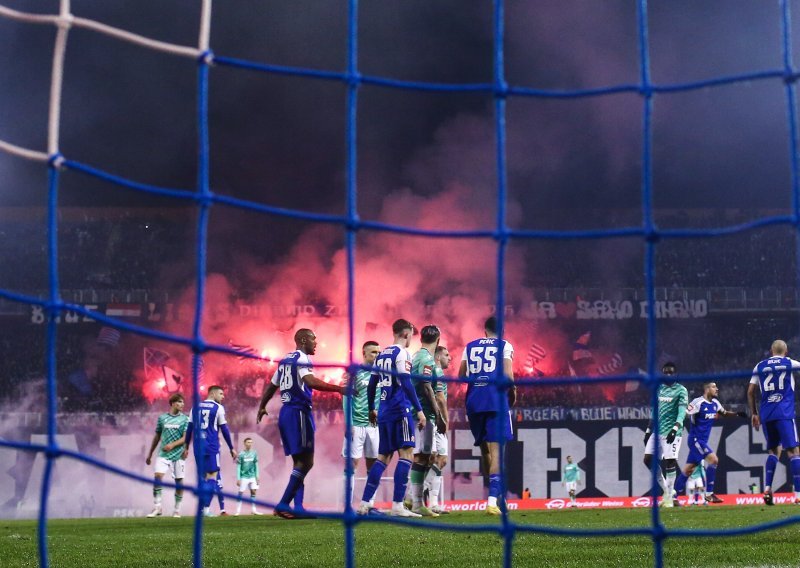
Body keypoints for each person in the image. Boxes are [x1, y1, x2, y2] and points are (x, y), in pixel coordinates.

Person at [257, 328, 347, 519]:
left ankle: (298, 507)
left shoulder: (285, 361)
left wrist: (262, 406)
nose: (316, 343)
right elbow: (311, 381)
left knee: (298, 463)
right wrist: (339, 389)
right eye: (314, 339)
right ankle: (283, 504)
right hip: (298, 412)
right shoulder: (302, 358)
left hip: (286, 413)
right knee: (307, 462)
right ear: (303, 340)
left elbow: (272, 386)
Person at [357, 319, 427, 517]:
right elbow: (405, 382)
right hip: (400, 410)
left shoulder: (382, 355)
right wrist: (419, 410)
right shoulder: (401, 353)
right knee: (406, 455)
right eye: (411, 336)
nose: (410, 340)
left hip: (385, 412)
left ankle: (364, 503)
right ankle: (397, 505)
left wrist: (372, 408)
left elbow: (372, 385)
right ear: (406, 334)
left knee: (383, 458)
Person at [459, 316, 515, 516]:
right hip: (496, 401)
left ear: (485, 331)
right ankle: (492, 501)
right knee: (497, 452)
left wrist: (479, 379)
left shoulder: (470, 346)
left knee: (485, 452)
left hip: (474, 402)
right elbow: (508, 377)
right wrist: (513, 391)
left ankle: (495, 497)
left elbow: (461, 376)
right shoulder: (504, 345)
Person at [673, 381, 746, 504]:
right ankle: (709, 494)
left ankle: (673, 496)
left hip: (702, 441)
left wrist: (737, 414)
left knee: (688, 470)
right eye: (713, 387)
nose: (717, 389)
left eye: (716, 386)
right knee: (714, 460)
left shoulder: (715, 404)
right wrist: (675, 426)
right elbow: (684, 412)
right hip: (696, 440)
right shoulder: (697, 402)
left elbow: (724, 413)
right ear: (707, 389)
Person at [747, 339, 800, 505]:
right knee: (794, 452)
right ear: (786, 351)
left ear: (771, 351)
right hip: (784, 413)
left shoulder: (759, 365)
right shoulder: (789, 362)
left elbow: (750, 392)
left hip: (767, 414)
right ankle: (798, 494)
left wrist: (754, 413)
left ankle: (768, 488)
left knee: (773, 451)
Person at [184, 385, 238, 517]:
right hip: (212, 447)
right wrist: (231, 447)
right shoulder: (218, 408)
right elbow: (224, 429)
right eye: (221, 394)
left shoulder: (194, 407)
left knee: (203, 479)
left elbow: (189, 429)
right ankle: (205, 509)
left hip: (198, 447)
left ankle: (202, 509)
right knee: (213, 477)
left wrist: (186, 446)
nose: (223, 396)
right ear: (212, 394)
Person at [409, 325, 446, 517]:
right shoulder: (425, 359)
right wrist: (438, 415)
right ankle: (415, 502)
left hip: (419, 412)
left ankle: (416, 501)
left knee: (427, 457)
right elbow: (426, 387)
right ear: (438, 340)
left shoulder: (416, 356)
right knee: (422, 457)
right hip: (423, 414)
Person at [342, 341, 382, 511]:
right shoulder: (355, 372)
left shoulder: (383, 373)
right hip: (356, 424)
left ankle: (368, 504)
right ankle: (347, 506)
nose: (377, 355)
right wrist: (348, 422)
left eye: (378, 352)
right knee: (352, 465)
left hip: (374, 426)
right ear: (364, 353)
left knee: (373, 465)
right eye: (373, 352)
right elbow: (346, 398)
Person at [643, 362, 687, 508]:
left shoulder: (681, 390)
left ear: (675, 374)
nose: (668, 375)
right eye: (665, 373)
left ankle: (668, 498)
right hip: (657, 432)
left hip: (672, 432)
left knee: (670, 461)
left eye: (671, 372)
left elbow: (682, 412)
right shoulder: (659, 389)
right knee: (648, 460)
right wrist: (648, 430)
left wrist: (675, 428)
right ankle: (668, 491)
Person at [145, 393, 189, 518]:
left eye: (183, 402)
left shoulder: (185, 419)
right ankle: (157, 507)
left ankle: (177, 509)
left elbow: (186, 437)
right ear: (173, 403)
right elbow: (157, 436)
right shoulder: (162, 418)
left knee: (179, 482)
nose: (182, 404)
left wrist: (175, 445)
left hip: (178, 455)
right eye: (180, 402)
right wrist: (150, 453)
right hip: (163, 454)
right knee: (157, 477)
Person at [425, 344, 452, 514]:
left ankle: (433, 502)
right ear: (438, 357)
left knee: (437, 460)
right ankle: (415, 495)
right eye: (447, 355)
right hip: (435, 420)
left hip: (432, 420)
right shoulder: (438, 371)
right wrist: (445, 419)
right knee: (437, 459)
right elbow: (440, 399)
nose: (450, 358)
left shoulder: (432, 371)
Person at [235, 437, 262, 516]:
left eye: (251, 442)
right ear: (244, 443)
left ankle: (254, 510)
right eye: (248, 442)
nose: (250, 444)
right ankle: (238, 511)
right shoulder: (241, 454)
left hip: (253, 476)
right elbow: (238, 467)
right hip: (244, 476)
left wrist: (257, 476)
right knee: (240, 492)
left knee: (253, 492)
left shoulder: (254, 453)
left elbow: (256, 465)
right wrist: (238, 478)